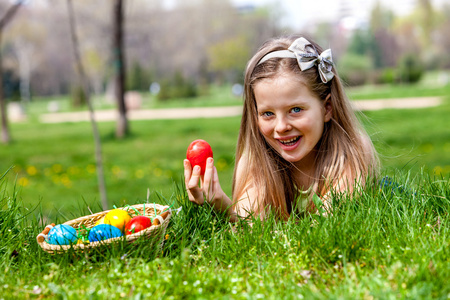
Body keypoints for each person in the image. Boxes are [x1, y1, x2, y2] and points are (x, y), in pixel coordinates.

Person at [184, 34, 379, 222]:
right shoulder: (255, 162)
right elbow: (252, 230)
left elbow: (326, 227)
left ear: (327, 108)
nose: (281, 127)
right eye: (268, 114)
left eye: (295, 110)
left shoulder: (351, 151)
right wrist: (226, 211)